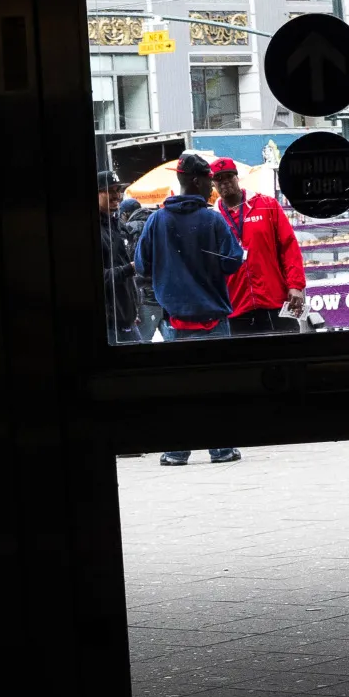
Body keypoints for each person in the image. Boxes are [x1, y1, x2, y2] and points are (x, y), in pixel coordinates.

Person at [134, 152, 245, 466]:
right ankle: (221, 448)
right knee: (218, 386)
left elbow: (142, 265)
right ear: (197, 180)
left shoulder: (157, 220)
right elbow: (234, 260)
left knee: (180, 388)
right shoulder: (212, 219)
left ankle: (177, 451)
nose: (213, 186)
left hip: (176, 323)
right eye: (209, 179)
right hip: (214, 322)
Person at [208, 157, 305, 337]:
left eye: (229, 176)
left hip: (276, 301)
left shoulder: (266, 205)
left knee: (290, 354)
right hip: (236, 308)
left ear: (237, 178)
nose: (225, 182)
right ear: (213, 183)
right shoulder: (212, 219)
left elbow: (289, 247)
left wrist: (296, 286)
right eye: (219, 179)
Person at [99, 169, 140, 343]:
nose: (117, 195)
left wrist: (133, 309)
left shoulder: (116, 224)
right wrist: (130, 268)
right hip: (110, 324)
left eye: (118, 190)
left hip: (126, 318)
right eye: (110, 190)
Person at [122, 194, 165, 342]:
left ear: (125, 214)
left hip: (145, 296)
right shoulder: (158, 222)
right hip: (166, 294)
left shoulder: (128, 229)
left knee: (141, 343)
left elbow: (129, 265)